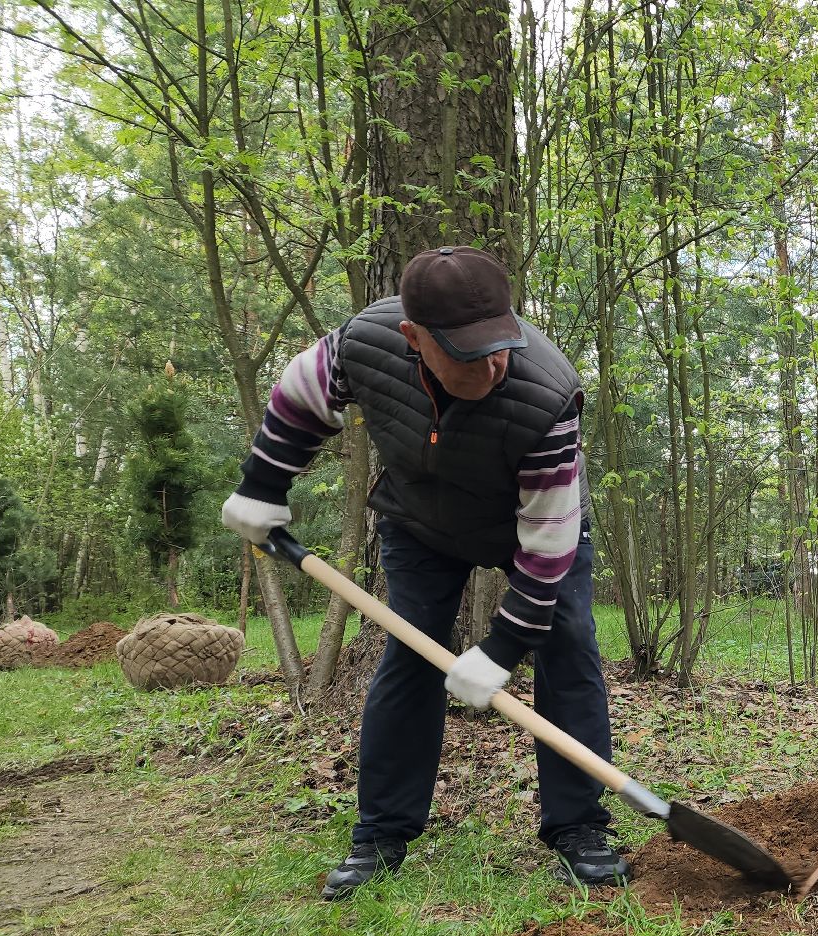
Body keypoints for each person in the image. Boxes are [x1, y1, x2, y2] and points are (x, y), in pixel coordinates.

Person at [221, 247, 629, 899]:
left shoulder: (546, 394)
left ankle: (580, 829)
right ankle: (380, 836)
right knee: (410, 656)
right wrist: (263, 484)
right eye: (468, 353)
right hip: (420, 520)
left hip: (530, 528)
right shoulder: (369, 342)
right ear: (414, 340)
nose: (493, 364)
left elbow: (547, 555)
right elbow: (299, 395)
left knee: (568, 644)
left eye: (500, 344)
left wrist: (499, 650)